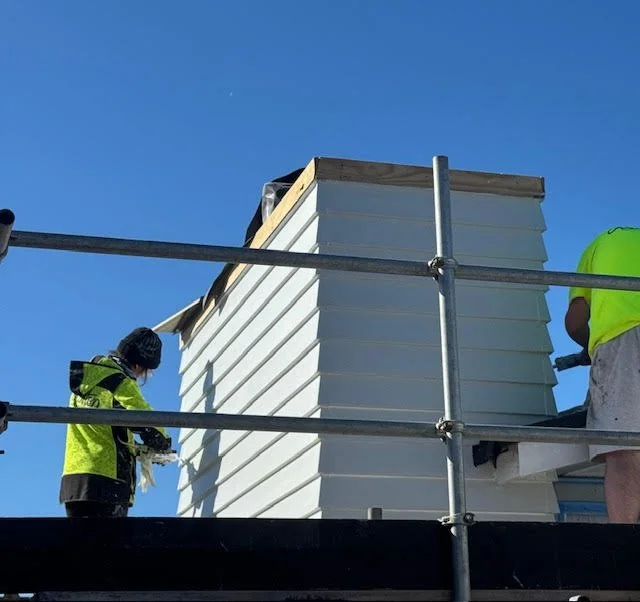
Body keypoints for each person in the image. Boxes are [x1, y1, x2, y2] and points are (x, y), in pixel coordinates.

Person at [565, 227, 640, 523]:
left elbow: (575, 321)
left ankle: (625, 544)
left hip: (624, 338)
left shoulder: (599, 245)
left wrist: (589, 347)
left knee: (625, 447)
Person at [59, 327, 172, 518]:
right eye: (146, 372)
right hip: (107, 484)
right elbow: (148, 422)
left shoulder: (88, 382)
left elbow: (105, 434)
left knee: (80, 546)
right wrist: (164, 443)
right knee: (109, 546)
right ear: (139, 364)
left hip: (75, 483)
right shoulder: (120, 382)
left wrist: (138, 449)